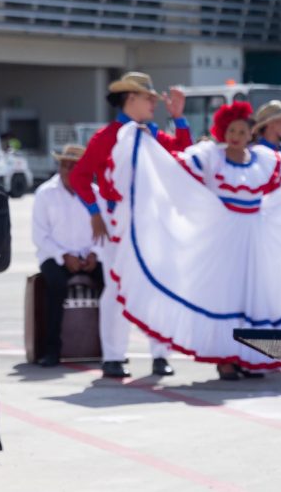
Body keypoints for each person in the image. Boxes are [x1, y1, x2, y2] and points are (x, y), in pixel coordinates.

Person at [106, 102, 281, 378]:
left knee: (251, 297)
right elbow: (173, 167)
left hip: (254, 238)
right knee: (225, 298)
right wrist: (148, 143)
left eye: (242, 131)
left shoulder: (262, 158)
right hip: (223, 238)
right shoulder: (211, 156)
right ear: (223, 131)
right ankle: (226, 359)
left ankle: (248, 356)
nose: (236, 136)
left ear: (249, 133)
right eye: (232, 130)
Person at [70, 71, 190, 379]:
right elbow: (79, 176)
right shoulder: (106, 136)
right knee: (115, 288)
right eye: (148, 98)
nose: (154, 103)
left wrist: (178, 118)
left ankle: (160, 355)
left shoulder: (152, 134)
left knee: (158, 287)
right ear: (130, 99)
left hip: (154, 220)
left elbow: (183, 156)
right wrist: (95, 212)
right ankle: (113, 356)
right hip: (117, 222)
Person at [32, 144, 103, 367]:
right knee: (56, 285)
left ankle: (109, 350)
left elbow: (105, 231)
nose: (67, 170)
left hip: (89, 256)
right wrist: (64, 256)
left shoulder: (96, 193)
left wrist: (95, 254)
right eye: (64, 164)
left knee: (111, 285)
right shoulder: (45, 193)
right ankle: (51, 350)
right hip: (54, 255)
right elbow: (39, 235)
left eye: (73, 165)